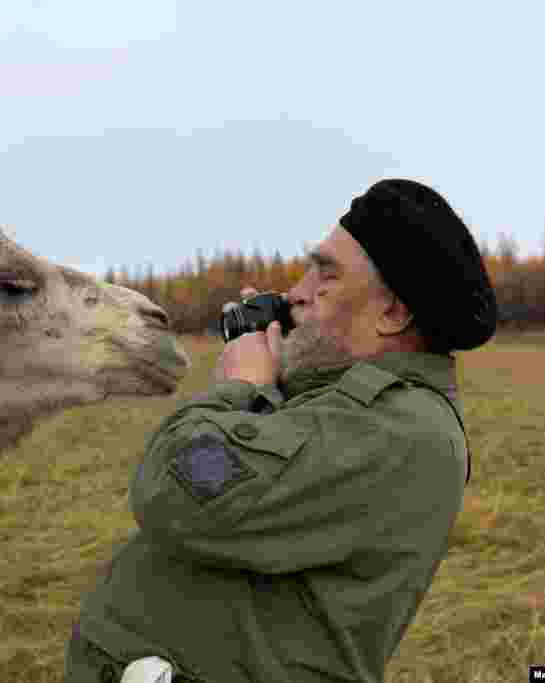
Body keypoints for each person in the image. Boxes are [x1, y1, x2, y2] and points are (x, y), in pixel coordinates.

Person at [64, 178, 497, 683]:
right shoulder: (342, 404)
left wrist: (241, 386)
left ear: (393, 313)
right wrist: (289, 364)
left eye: (325, 277)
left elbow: (181, 490)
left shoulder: (398, 429)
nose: (295, 294)